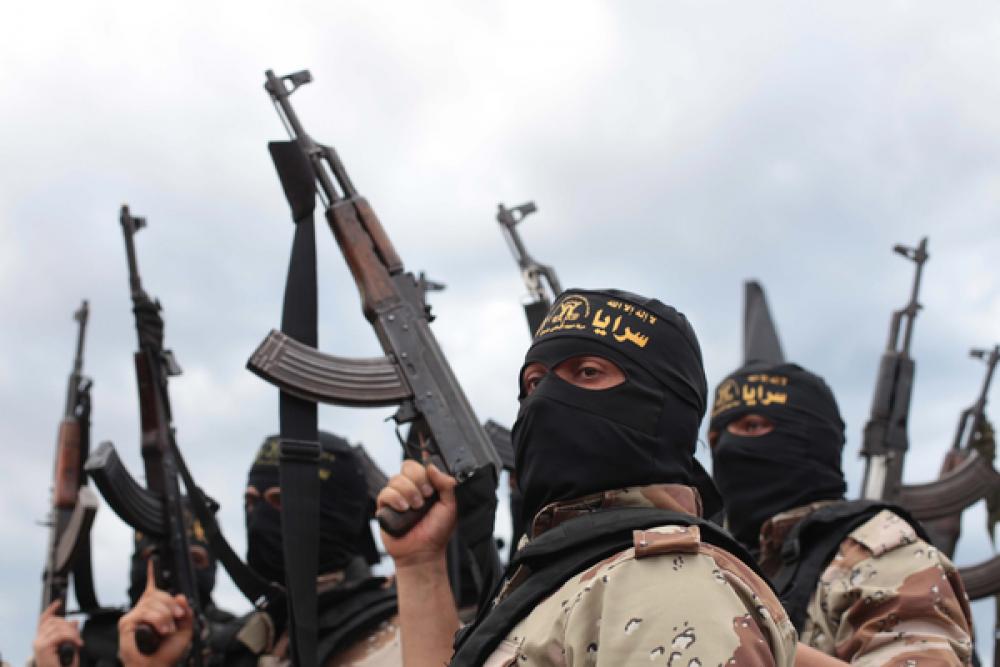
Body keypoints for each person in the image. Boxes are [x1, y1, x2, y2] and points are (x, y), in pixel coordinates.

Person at [379, 289, 798, 667]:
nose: (545, 399)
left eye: (587, 372)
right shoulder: (564, 577)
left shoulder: (660, 585)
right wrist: (420, 564)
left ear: (658, 403)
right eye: (535, 382)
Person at [709, 361, 975, 666]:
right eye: (715, 439)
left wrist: (749, 641)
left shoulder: (878, 553)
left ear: (809, 436)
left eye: (752, 427)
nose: (727, 448)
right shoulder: (714, 559)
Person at [118, 432, 400, 666]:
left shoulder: (393, 626)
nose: (261, 516)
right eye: (252, 502)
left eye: (279, 500)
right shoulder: (241, 642)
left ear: (338, 509)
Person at [30, 505, 224, 667]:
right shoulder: (90, 647)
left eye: (194, 559)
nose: (172, 572)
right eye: (155, 559)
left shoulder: (235, 644)